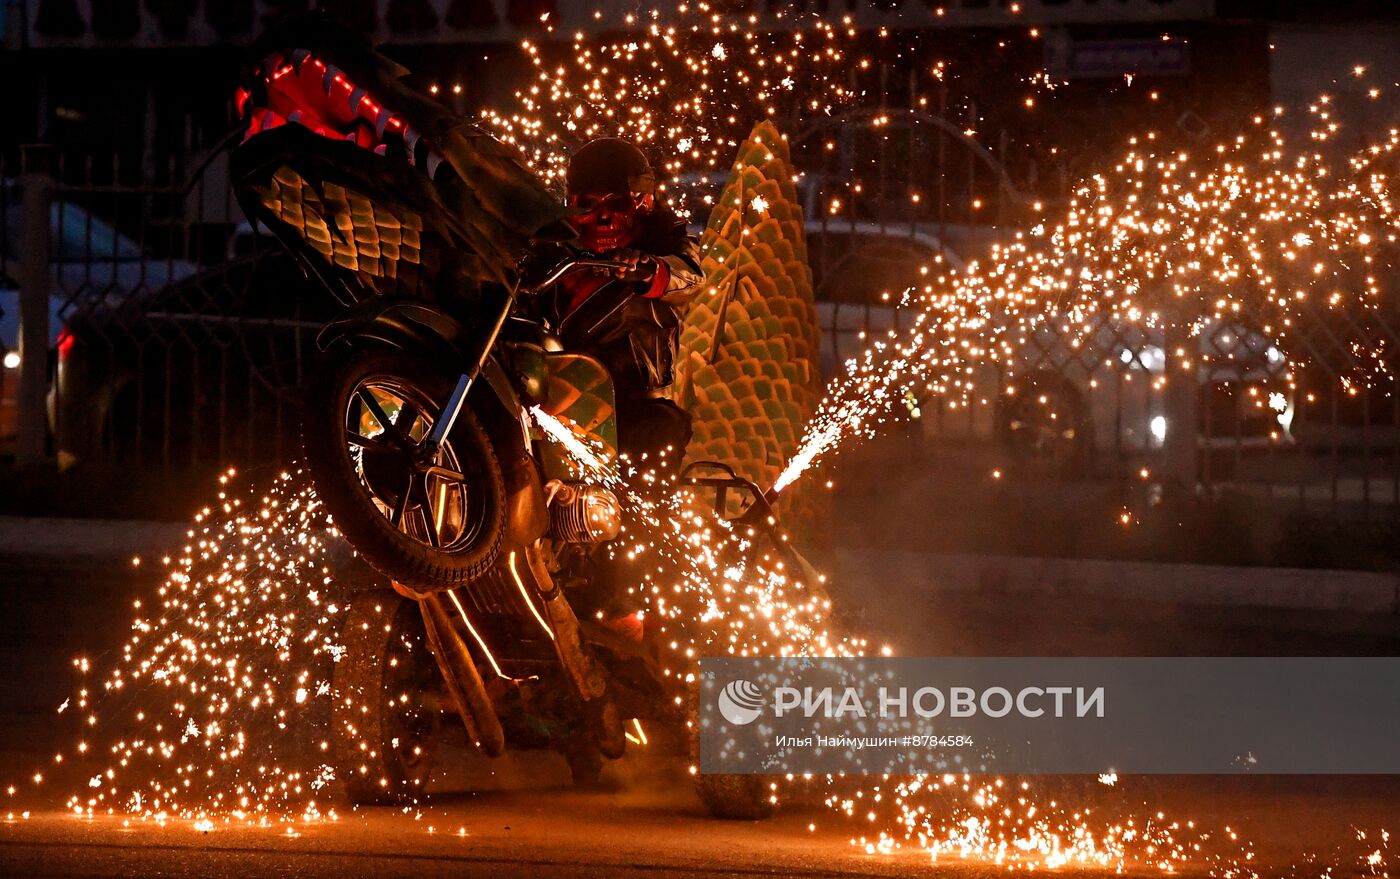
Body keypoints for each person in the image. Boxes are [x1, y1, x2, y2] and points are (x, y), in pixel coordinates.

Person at [537, 137, 703, 472]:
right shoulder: (551, 250)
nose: (601, 218)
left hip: (635, 404)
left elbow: (689, 276)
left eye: (616, 204)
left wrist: (647, 271)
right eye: (587, 205)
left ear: (642, 204)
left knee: (657, 437)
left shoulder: (663, 242)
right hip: (556, 399)